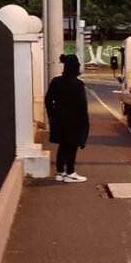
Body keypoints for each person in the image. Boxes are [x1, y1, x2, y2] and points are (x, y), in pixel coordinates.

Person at [45, 54, 90, 182]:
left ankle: (60, 172)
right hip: (74, 120)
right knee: (72, 146)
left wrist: (51, 114)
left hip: (58, 119)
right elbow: (82, 105)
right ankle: (70, 172)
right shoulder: (78, 84)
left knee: (62, 145)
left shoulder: (56, 81)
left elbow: (48, 99)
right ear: (76, 67)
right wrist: (84, 122)